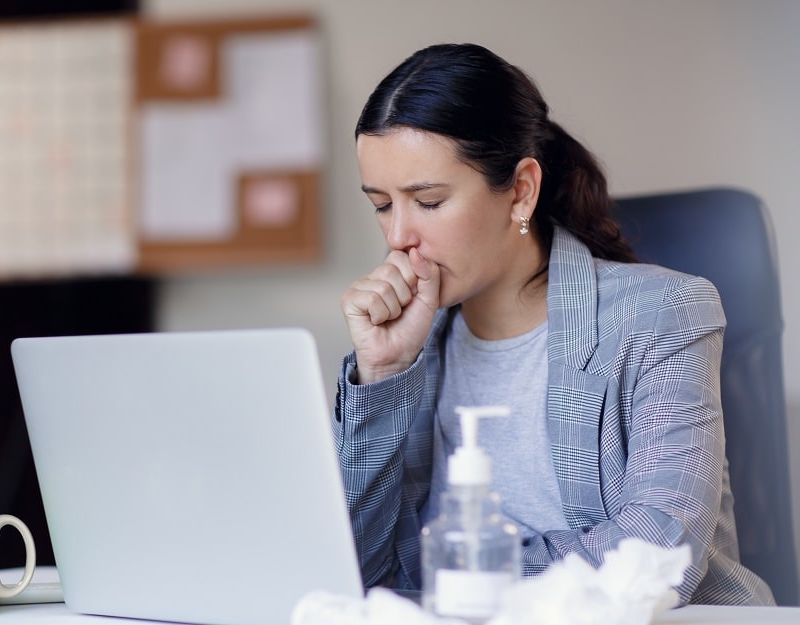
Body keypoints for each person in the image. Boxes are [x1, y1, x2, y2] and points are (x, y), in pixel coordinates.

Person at [332, 42, 774, 606]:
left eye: (429, 201)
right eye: (382, 204)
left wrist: (459, 569)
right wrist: (384, 374)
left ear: (520, 191)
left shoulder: (664, 313)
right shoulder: (411, 347)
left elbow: (660, 557)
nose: (398, 236)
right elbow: (355, 571)